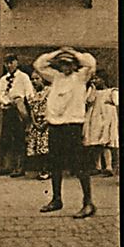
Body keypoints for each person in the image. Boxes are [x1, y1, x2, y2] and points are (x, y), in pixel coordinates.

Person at [33, 47, 96, 218]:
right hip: (55, 126)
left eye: (68, 64)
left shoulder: (80, 77)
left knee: (79, 165)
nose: (65, 67)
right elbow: (38, 64)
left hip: (72, 126)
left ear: (74, 65)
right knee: (55, 164)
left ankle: (88, 203)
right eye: (62, 64)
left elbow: (91, 62)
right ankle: (56, 199)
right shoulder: (56, 78)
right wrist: (57, 53)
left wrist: (74, 54)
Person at [0, 54, 35, 177]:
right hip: (7, 110)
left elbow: (29, 93)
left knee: (19, 138)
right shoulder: (3, 79)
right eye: (7, 63)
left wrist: (26, 105)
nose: (9, 65)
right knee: (5, 138)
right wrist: (6, 101)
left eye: (11, 62)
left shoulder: (23, 77)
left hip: (19, 109)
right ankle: (5, 165)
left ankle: (19, 167)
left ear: (16, 62)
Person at [83, 70, 118, 177]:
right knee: (95, 143)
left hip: (107, 119)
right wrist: (92, 89)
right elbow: (88, 101)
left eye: (97, 79)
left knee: (105, 143)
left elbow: (117, 104)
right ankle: (97, 166)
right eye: (93, 79)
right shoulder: (92, 91)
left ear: (103, 80)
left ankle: (108, 167)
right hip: (94, 119)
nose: (95, 81)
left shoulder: (111, 91)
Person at [26, 71, 51, 180]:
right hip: (36, 122)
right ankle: (41, 169)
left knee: (46, 147)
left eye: (37, 79)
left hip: (47, 122)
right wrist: (34, 122)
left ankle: (47, 170)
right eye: (33, 79)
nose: (34, 81)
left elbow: (53, 109)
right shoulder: (33, 94)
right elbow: (31, 109)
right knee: (38, 147)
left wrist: (46, 122)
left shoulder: (50, 92)